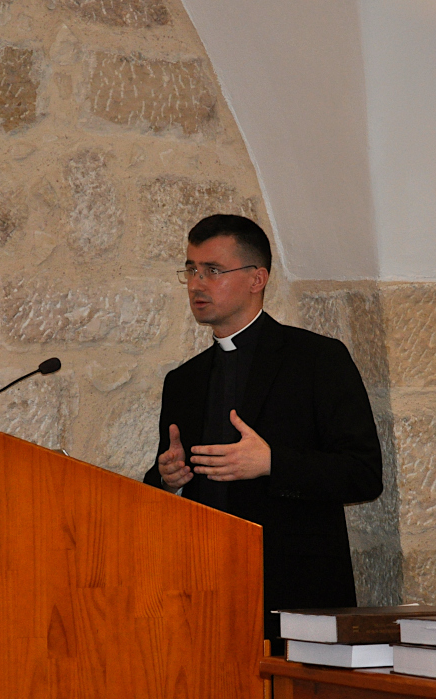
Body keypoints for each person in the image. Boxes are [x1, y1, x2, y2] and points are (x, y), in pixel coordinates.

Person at [143, 214, 383, 652]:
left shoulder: (317, 359)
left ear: (257, 278)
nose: (197, 283)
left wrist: (273, 463)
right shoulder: (184, 381)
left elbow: (363, 475)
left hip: (294, 591)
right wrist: (167, 479)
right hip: (202, 591)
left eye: (213, 270)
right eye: (191, 269)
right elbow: (168, 481)